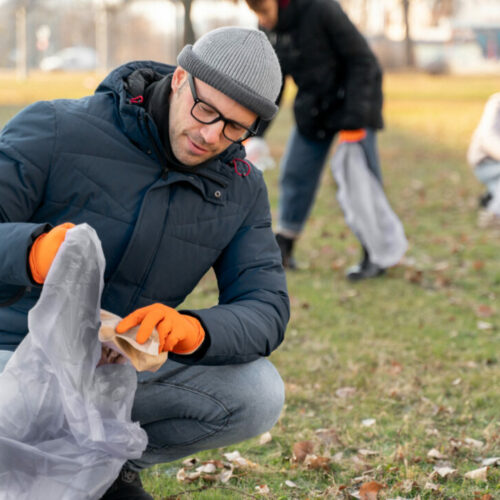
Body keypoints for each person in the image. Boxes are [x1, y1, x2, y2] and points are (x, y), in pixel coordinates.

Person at [0, 27, 289, 499]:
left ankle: (101, 461)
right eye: (206, 110)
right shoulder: (55, 128)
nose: (211, 135)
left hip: (113, 369)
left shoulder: (240, 188)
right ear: (179, 79)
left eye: (236, 127)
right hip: (13, 354)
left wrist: (193, 332)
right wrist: (32, 252)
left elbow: (266, 305)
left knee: (257, 392)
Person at [245, 0, 406, 280]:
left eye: (264, 11)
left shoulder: (321, 9)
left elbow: (363, 61)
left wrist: (355, 121)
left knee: (360, 182)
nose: (262, 20)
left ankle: (376, 253)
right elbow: (275, 81)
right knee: (295, 173)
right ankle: (285, 243)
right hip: (314, 108)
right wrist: (256, 133)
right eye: (256, 13)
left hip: (353, 103)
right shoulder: (270, 26)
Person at [467, 92, 500, 228]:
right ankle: (494, 214)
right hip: (485, 161)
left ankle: (490, 197)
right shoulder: (496, 103)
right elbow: (487, 137)